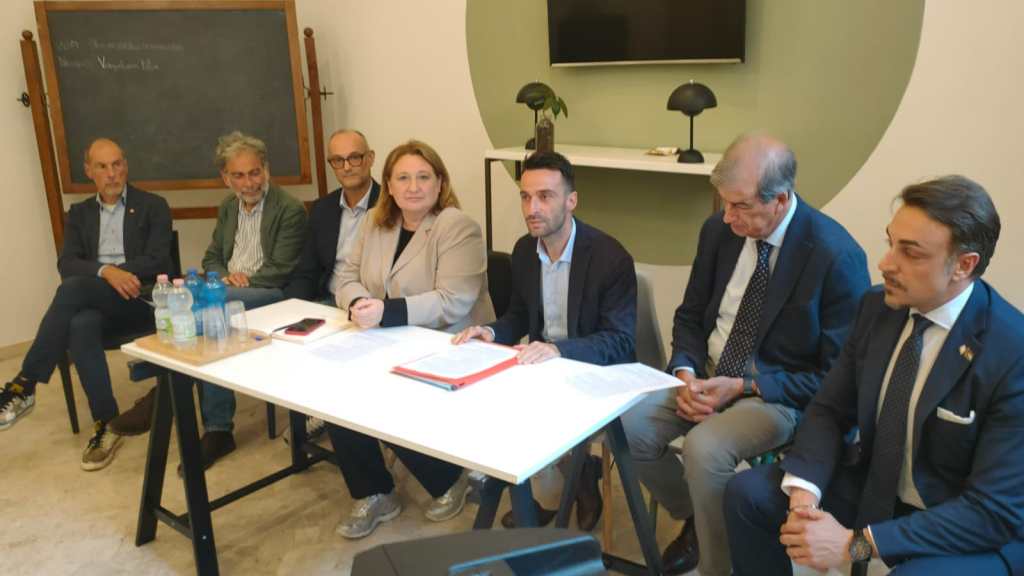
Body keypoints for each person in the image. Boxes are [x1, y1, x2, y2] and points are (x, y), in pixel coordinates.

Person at [724, 175, 1024, 575]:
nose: (886, 264)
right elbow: (830, 410)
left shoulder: (1012, 351)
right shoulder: (877, 308)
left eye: (911, 253)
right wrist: (803, 500)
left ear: (964, 265)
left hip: (964, 521)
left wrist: (855, 545)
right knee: (748, 495)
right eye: (891, 243)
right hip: (878, 486)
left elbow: (991, 511)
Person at [620, 133, 870, 575]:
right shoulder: (719, 231)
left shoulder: (835, 255)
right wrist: (685, 372)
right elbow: (691, 315)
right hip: (707, 376)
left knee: (704, 449)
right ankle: (697, 517)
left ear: (781, 199)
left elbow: (837, 379)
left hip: (775, 394)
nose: (728, 216)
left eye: (740, 206)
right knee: (625, 424)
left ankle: (717, 568)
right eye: (724, 203)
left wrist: (744, 386)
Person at [452, 150, 637, 531]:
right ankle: (545, 493)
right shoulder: (525, 250)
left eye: (545, 196)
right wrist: (490, 331)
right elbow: (520, 315)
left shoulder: (610, 257)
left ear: (571, 200)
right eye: (525, 196)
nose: (532, 208)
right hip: (544, 366)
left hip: (595, 370)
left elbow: (619, 342)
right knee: (481, 397)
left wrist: (557, 350)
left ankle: (572, 485)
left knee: (532, 412)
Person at [327, 139, 494, 539]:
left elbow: (454, 301)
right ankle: (374, 492)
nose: (413, 187)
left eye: (423, 177)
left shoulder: (457, 226)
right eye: (403, 177)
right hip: (385, 337)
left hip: (451, 343)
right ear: (388, 184)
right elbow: (345, 277)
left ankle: (447, 477)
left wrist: (384, 311)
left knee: (383, 394)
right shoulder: (376, 222)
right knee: (333, 389)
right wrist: (359, 302)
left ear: (440, 183)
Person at [112, 131, 306, 471]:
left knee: (205, 305)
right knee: (198, 305)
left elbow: (281, 269)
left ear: (266, 170)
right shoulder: (229, 207)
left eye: (255, 172)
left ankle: (177, 399)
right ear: (225, 177)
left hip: (271, 292)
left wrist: (236, 283)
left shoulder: (289, 208)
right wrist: (223, 277)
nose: (249, 183)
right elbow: (212, 257)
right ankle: (204, 418)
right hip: (228, 290)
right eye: (239, 175)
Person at [0, 138, 172, 471]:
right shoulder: (80, 214)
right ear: (88, 171)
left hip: (140, 301)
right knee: (80, 324)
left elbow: (158, 259)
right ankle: (106, 424)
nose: (112, 173)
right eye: (102, 167)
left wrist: (118, 274)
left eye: (117, 164)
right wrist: (107, 273)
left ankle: (24, 385)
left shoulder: (153, 205)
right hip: (99, 301)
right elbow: (67, 263)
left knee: (73, 289)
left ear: (126, 166)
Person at [281, 129, 380, 442]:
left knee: (345, 354)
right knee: (287, 342)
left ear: (370, 159)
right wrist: (288, 308)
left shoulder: (391, 204)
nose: (347, 166)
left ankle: (337, 418)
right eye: (338, 160)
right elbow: (307, 268)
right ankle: (320, 412)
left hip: (370, 304)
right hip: (328, 302)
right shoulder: (323, 209)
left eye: (354, 158)